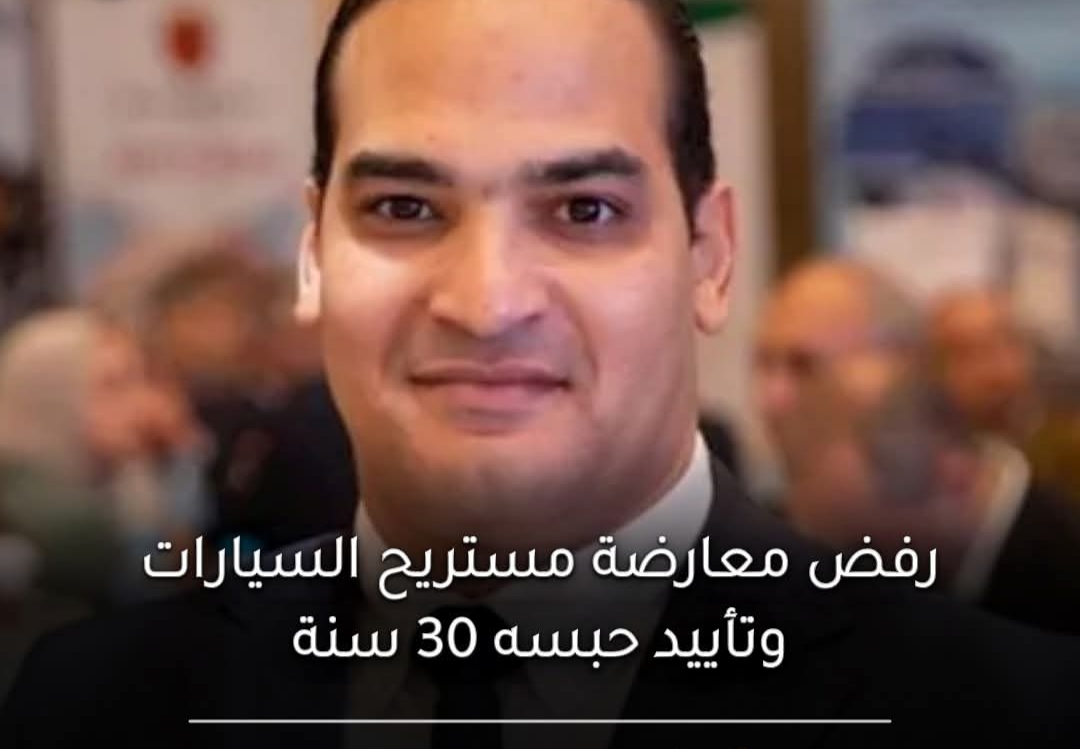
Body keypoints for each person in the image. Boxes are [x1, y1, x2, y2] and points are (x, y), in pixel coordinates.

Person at [3, 3, 1080, 749]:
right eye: (405, 208)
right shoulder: (96, 709)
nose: (487, 303)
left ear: (709, 257)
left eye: (584, 210)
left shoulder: (1002, 718)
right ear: (314, 254)